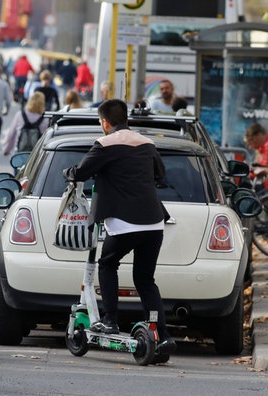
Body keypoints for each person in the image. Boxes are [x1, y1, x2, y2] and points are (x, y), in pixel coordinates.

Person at [63, 98, 176, 354]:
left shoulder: (104, 144)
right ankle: (163, 332)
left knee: (107, 264)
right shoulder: (146, 143)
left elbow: (81, 172)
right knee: (145, 279)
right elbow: (160, 173)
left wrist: (68, 173)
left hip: (125, 222)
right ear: (127, 119)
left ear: (104, 122)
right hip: (153, 222)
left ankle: (110, 320)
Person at [1, 91, 47, 156]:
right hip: (36, 154)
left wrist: (6, 149)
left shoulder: (20, 115)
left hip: (19, 151)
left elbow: (11, 134)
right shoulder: (45, 119)